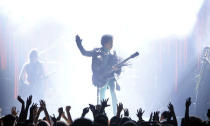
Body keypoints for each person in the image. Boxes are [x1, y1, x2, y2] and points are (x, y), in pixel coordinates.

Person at [75, 34, 121, 115]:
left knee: (113, 95)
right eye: (110, 42)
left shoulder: (113, 54)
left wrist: (117, 69)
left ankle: (116, 115)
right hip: (101, 79)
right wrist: (79, 44)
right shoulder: (96, 51)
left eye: (112, 42)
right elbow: (84, 52)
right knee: (102, 97)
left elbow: (118, 67)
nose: (112, 44)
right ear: (105, 43)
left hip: (111, 77)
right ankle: (102, 115)